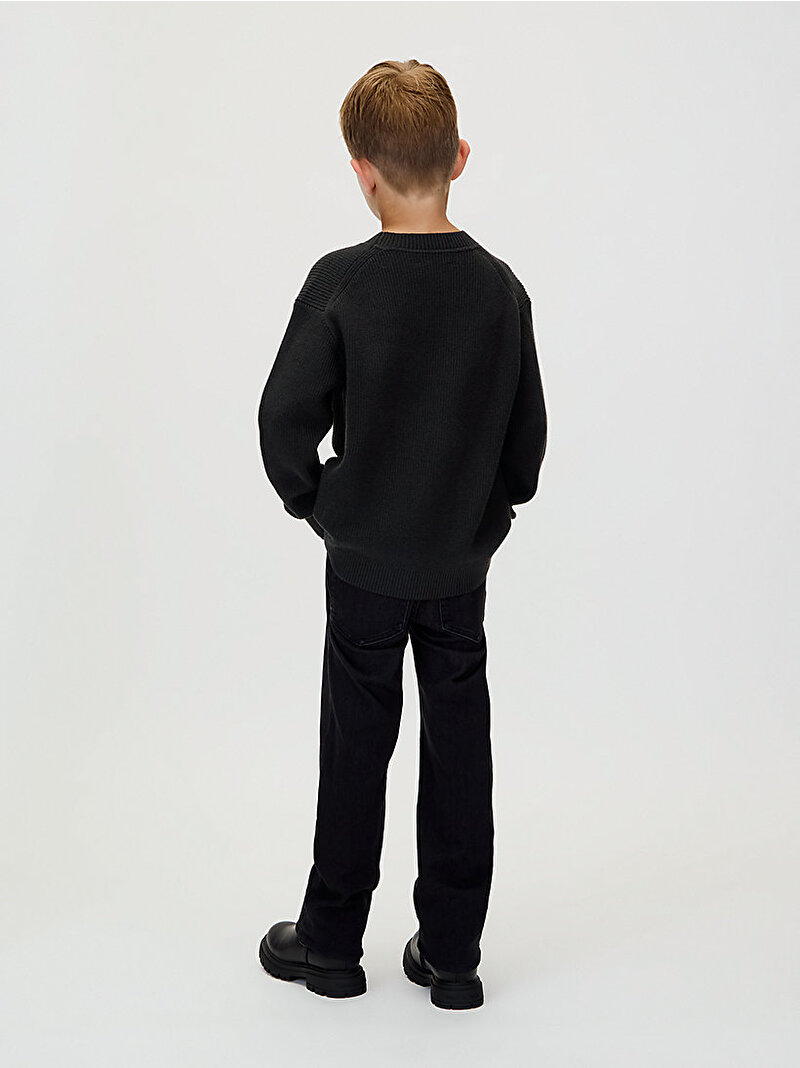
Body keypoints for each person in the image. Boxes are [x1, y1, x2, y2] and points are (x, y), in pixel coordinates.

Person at [256, 58, 547, 1011]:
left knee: (355, 745)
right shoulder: (500, 291)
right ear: (459, 156)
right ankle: (453, 954)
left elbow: (283, 421)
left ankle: (332, 943)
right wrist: (489, 516)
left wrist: (321, 506)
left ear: (362, 171)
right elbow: (526, 448)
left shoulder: (341, 282)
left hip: (366, 570)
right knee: (460, 748)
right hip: (459, 567)